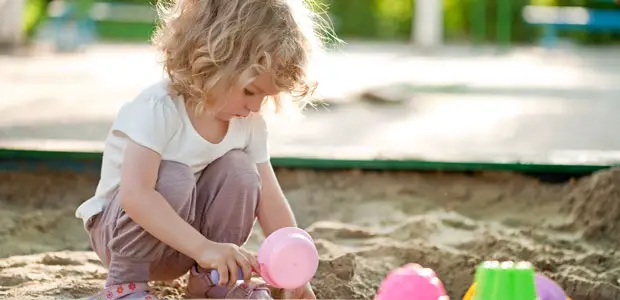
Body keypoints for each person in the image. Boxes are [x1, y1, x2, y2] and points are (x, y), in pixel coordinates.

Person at [74, 0, 332, 298]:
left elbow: (270, 200)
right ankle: (124, 285)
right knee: (175, 176)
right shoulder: (159, 108)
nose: (255, 106)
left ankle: (213, 281)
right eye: (250, 91)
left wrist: (296, 272)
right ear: (213, 62)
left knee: (243, 172)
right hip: (122, 237)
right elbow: (136, 195)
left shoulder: (248, 122)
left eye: (265, 96)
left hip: (191, 249)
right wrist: (204, 247)